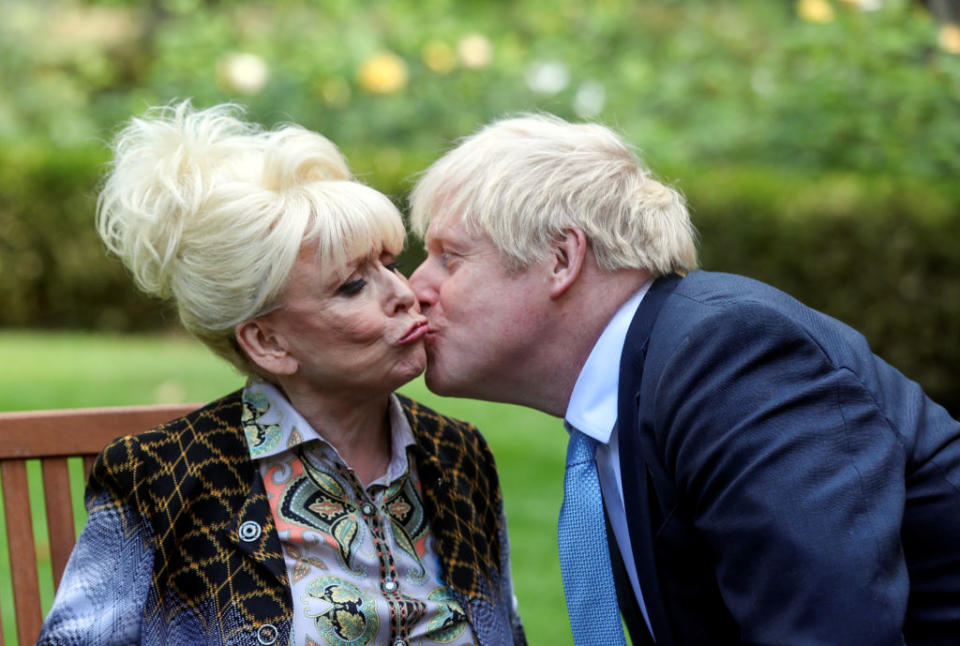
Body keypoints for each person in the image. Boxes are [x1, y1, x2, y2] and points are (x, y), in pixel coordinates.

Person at [407, 113, 960, 646]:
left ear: (560, 257)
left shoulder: (730, 356)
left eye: (449, 259)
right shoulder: (647, 377)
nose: (414, 288)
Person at [38, 102, 525, 646]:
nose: (404, 293)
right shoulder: (162, 477)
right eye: (352, 285)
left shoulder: (457, 453)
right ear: (268, 342)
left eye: (388, 263)